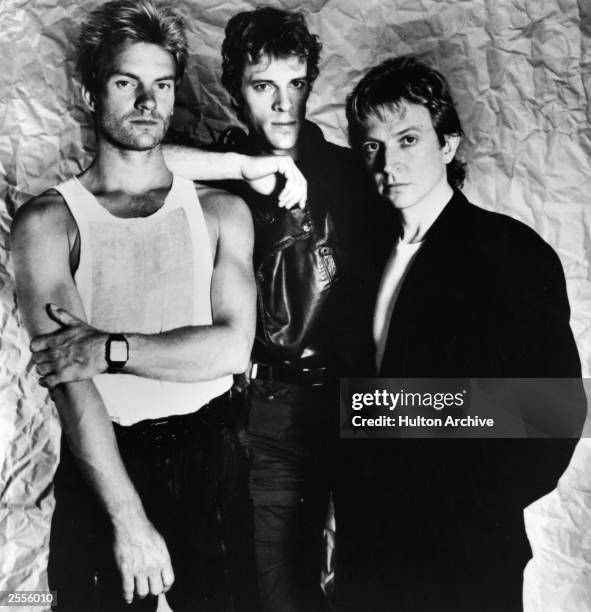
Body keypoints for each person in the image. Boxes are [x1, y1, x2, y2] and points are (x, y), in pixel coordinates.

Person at [26, 7, 371, 612]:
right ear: (237, 91)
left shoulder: (348, 175)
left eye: (296, 84)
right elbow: (143, 161)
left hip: (339, 401)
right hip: (249, 415)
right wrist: (243, 166)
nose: (283, 104)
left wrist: (107, 348)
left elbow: (229, 346)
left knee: (356, 579)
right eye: (264, 86)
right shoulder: (226, 175)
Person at [9, 1, 266, 609]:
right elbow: (73, 386)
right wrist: (128, 520)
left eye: (163, 85)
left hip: (211, 455)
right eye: (127, 83)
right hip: (105, 461)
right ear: (92, 94)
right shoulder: (48, 222)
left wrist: (107, 349)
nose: (148, 102)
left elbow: (231, 349)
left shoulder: (221, 212)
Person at [335, 56, 586, 611]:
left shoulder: (508, 254)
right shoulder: (361, 253)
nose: (389, 162)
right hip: (368, 551)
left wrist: (466, 509)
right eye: (374, 145)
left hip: (463, 556)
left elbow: (552, 415)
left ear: (448, 145)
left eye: (408, 140)